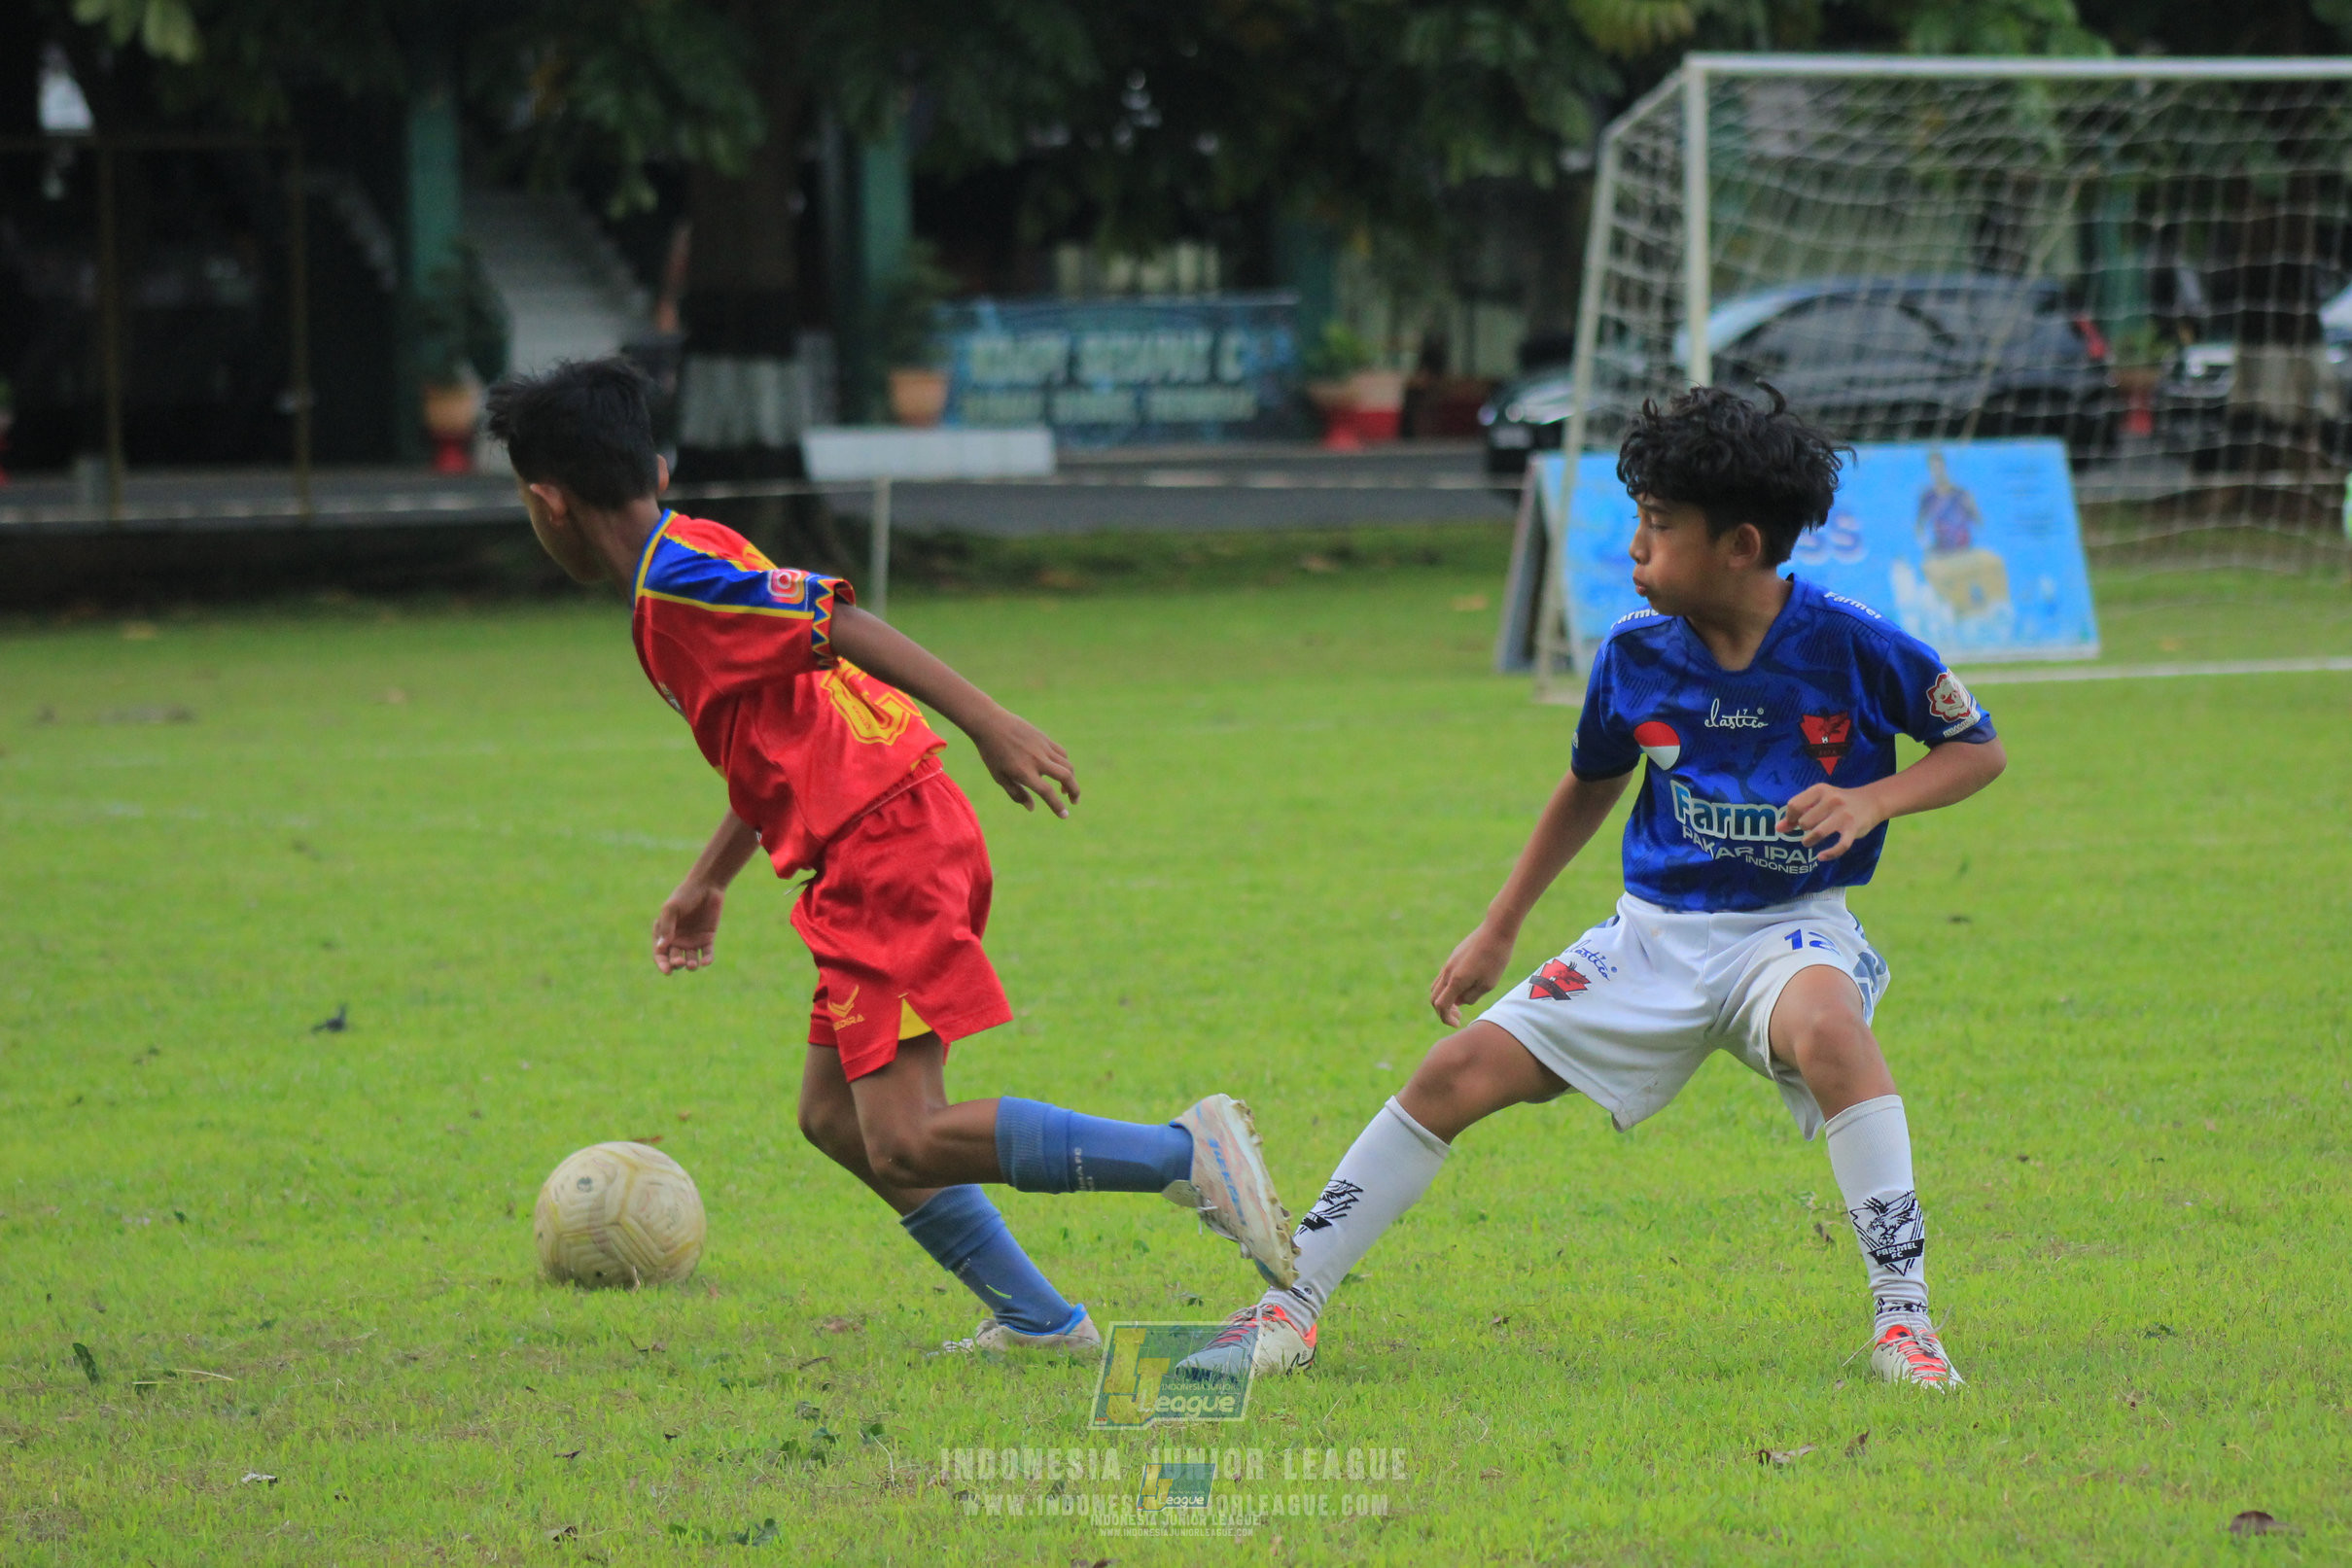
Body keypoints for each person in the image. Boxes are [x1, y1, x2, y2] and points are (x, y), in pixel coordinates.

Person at [1182, 386, 2005, 1390]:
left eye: (1659, 525)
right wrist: (1499, 926)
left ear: (1741, 544)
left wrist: (1874, 797)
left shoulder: (1854, 645)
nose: (1635, 546)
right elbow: (1590, 780)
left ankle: (1904, 1324)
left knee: (1832, 1029)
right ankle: (1289, 1302)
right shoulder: (1632, 655)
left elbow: (1975, 749)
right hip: (1648, 937)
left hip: (1788, 931)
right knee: (1451, 1075)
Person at [484, 359, 1295, 1354]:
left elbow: (840, 622)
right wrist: (707, 878)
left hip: (888, 842)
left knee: (905, 1132)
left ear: (547, 500)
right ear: (649, 466)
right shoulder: (686, 552)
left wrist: (991, 720)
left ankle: (1183, 1152)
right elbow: (783, 732)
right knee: (833, 1116)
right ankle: (1042, 1321)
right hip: (873, 835)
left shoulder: (680, 579)